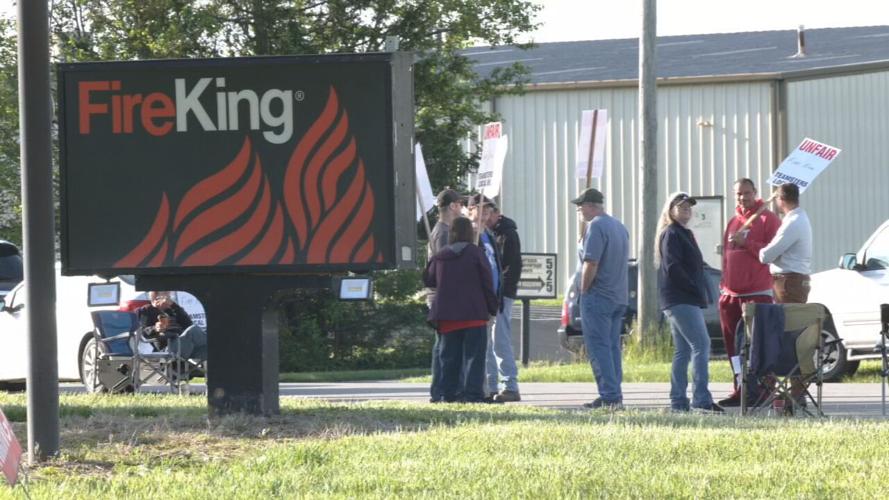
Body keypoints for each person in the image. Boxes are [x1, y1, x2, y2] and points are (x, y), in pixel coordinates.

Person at [656, 192, 723, 413]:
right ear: (671, 209)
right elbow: (673, 267)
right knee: (702, 345)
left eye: (688, 206)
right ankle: (701, 400)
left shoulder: (685, 233)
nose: (686, 209)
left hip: (684, 298)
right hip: (680, 298)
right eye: (681, 206)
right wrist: (694, 287)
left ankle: (678, 401)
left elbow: (696, 264)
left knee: (683, 351)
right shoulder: (671, 233)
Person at [717, 178, 781, 407]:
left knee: (756, 346)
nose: (742, 198)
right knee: (733, 348)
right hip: (730, 295)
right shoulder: (733, 222)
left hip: (757, 293)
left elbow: (772, 255)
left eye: (746, 193)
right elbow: (726, 257)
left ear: (755, 193)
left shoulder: (768, 219)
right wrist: (724, 282)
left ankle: (762, 391)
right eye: (738, 194)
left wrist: (748, 242)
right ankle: (740, 389)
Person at [423, 217, 499, 403]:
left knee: (449, 358)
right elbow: (487, 283)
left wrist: (434, 261)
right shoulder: (475, 253)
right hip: (474, 312)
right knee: (475, 358)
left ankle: (449, 394)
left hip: (447, 315)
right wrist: (492, 308)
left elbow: (429, 280)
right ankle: (473, 394)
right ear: (469, 232)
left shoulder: (440, 256)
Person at [571, 188, 629, 410]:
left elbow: (591, 262)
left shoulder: (595, 226)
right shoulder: (619, 226)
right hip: (617, 295)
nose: (578, 209)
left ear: (591, 206)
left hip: (598, 294)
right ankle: (614, 392)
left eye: (581, 205)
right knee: (612, 347)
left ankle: (610, 396)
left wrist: (583, 290)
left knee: (598, 347)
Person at [473, 196, 522, 402]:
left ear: (495, 213)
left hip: (501, 295)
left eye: (488, 211)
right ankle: (492, 385)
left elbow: (511, 267)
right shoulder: (486, 234)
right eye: (481, 210)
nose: (486, 215)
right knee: (488, 342)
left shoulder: (507, 234)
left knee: (500, 341)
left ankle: (510, 385)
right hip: (490, 295)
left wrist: (502, 294)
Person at [426, 188, 464, 402]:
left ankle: (444, 389)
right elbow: (443, 268)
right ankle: (440, 390)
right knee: (444, 347)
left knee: (446, 345)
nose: (462, 207)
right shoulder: (443, 232)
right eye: (460, 203)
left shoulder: (445, 230)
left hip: (445, 296)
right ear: (452, 206)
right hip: (442, 296)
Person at [759, 183, 813, 304]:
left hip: (789, 282)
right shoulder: (800, 218)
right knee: (792, 319)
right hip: (793, 280)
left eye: (776, 198)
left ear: (781, 199)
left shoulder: (793, 223)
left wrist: (761, 251)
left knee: (787, 320)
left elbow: (767, 255)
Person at [137, 291, 208, 367]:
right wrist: (155, 328)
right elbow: (143, 332)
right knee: (194, 331)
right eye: (165, 294)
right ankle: (179, 369)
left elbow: (188, 324)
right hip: (167, 348)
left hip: (184, 346)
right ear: (155, 296)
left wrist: (173, 305)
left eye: (169, 295)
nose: (168, 296)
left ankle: (194, 370)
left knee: (207, 349)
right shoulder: (147, 310)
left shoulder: (172, 309)